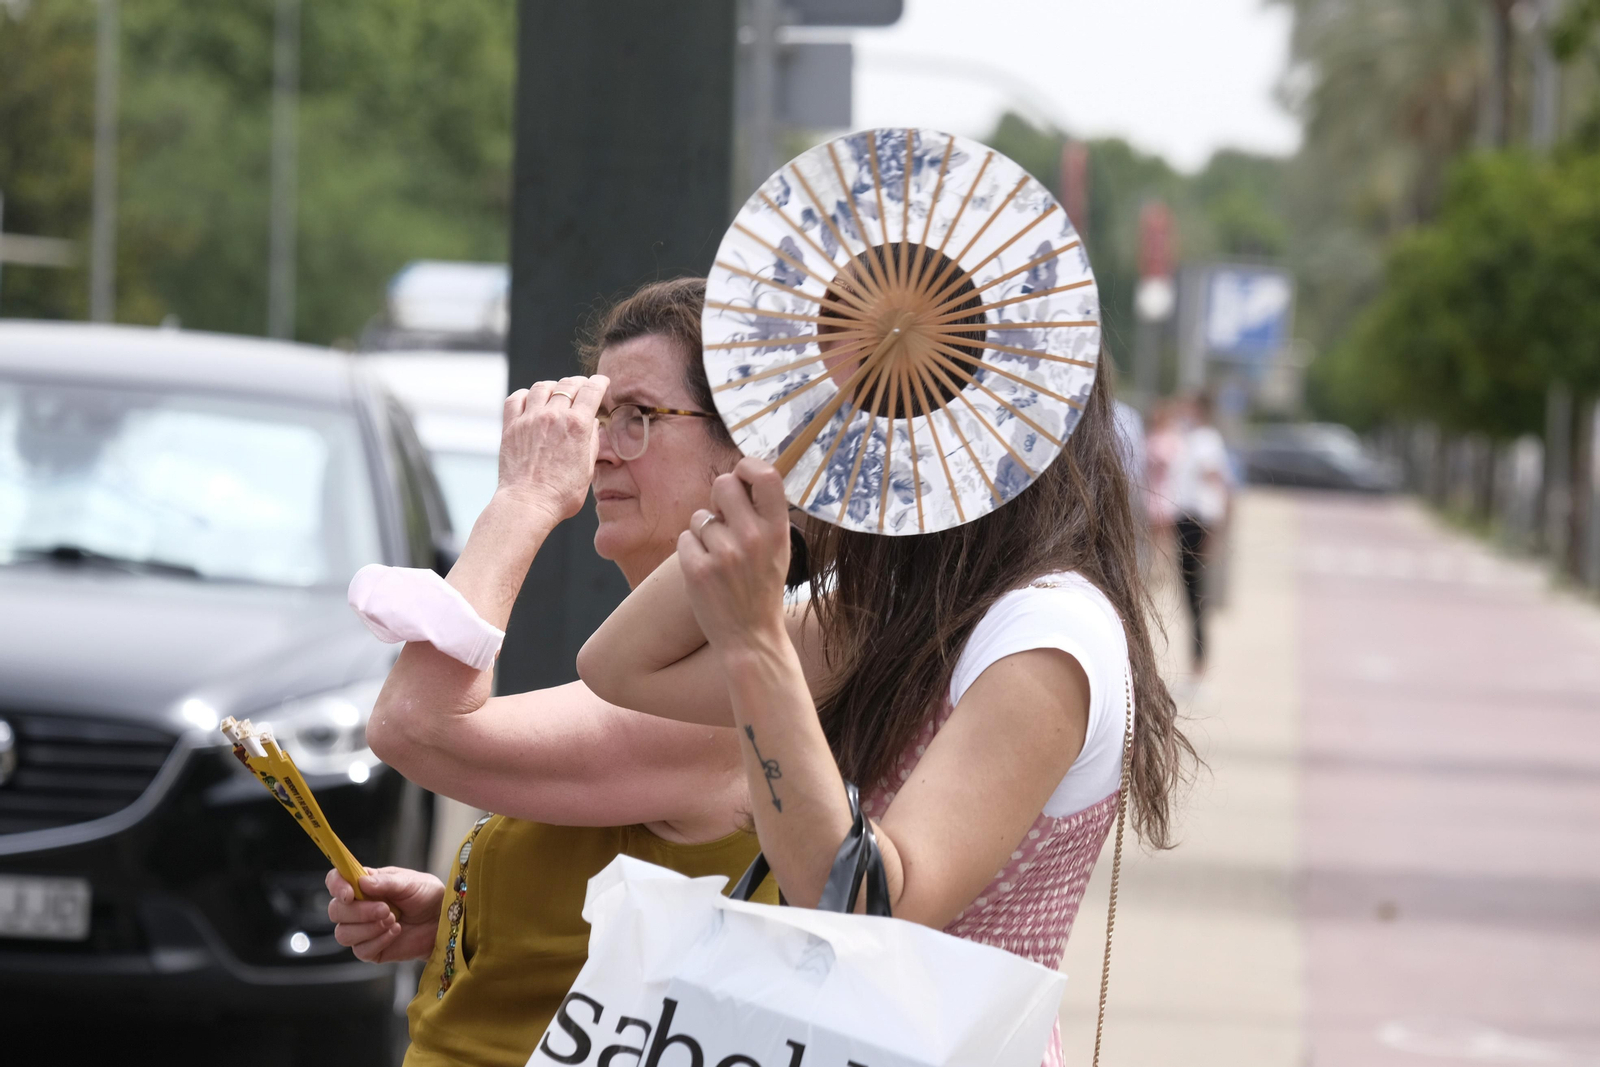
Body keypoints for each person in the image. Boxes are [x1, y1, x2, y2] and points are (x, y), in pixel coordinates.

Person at [579, 357, 1195, 1066]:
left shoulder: (1048, 630)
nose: (850, 434)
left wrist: (755, 640)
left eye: (869, 406)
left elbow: (868, 905)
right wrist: (782, 484)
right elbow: (619, 665)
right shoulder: (908, 616)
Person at [327, 278, 777, 1067]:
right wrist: (471, 912)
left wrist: (526, 496)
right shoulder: (700, 666)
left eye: (638, 417)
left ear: (746, 451)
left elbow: (416, 724)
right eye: (599, 414)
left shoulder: (727, 686)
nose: (598, 445)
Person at [1168, 391, 1232, 669]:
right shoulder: (1192, 439)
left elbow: (1217, 483)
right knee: (1190, 593)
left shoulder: (1207, 441)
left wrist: (1216, 529)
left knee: (1197, 595)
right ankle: (1196, 658)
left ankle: (1199, 661)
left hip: (1198, 521)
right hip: (1186, 520)